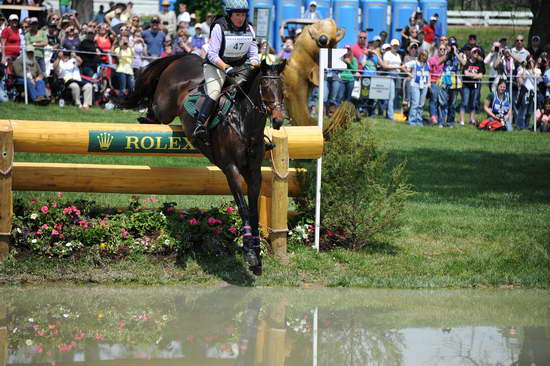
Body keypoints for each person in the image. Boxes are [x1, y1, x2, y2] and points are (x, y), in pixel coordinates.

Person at [193, 0, 260, 141]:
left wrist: (254, 64)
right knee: (215, 91)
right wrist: (226, 67)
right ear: (230, 15)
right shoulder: (219, 27)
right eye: (237, 14)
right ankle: (200, 126)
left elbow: (254, 54)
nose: (241, 18)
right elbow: (211, 54)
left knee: (253, 91)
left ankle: (256, 132)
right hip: (215, 67)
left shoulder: (250, 29)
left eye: (243, 15)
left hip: (238, 67)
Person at [437, 38, 466, 127]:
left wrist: (456, 53)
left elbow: (464, 63)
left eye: (453, 46)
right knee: (442, 103)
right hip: (445, 81)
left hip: (455, 83)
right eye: (450, 46)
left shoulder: (460, 54)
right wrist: (446, 53)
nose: (451, 48)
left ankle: (450, 122)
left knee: (452, 104)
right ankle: (441, 122)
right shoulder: (447, 55)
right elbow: (439, 62)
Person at [403, 49, 430, 126]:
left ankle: (419, 120)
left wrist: (428, 84)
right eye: (422, 55)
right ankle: (412, 121)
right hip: (415, 85)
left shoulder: (427, 64)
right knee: (415, 104)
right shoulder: (414, 62)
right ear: (420, 55)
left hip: (424, 86)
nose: (424, 57)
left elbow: (428, 74)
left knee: (421, 104)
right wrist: (410, 74)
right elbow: (403, 66)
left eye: (425, 56)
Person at [460, 47, 485, 126]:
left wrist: (472, 75)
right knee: (464, 102)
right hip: (466, 85)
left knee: (473, 103)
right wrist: (475, 75)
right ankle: (462, 120)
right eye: (474, 52)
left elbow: (481, 75)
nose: (476, 54)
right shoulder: (467, 62)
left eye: (478, 52)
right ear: (471, 53)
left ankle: (472, 119)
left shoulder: (479, 63)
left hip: (475, 86)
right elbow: (465, 73)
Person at [382, 39, 404, 120]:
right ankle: (390, 115)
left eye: (397, 45)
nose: (395, 47)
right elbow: (385, 66)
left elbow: (399, 66)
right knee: (391, 97)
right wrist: (397, 67)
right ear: (391, 46)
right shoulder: (387, 54)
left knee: (392, 97)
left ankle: (387, 114)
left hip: (397, 77)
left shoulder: (398, 55)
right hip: (389, 76)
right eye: (394, 45)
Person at [516, 55, 539, 130]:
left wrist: (532, 68)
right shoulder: (522, 70)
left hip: (532, 93)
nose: (530, 62)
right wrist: (524, 67)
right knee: (523, 110)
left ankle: (526, 126)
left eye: (532, 61)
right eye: (529, 61)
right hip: (525, 92)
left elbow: (536, 78)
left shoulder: (536, 70)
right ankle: (520, 126)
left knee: (529, 111)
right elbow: (522, 79)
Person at [428, 44, 446, 125]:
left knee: (441, 102)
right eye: (440, 49)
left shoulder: (446, 60)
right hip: (433, 82)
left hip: (443, 83)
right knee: (433, 100)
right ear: (437, 50)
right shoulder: (432, 60)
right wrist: (429, 83)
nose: (442, 51)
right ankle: (433, 116)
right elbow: (428, 72)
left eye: (444, 49)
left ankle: (440, 117)